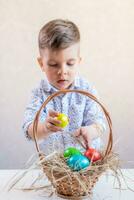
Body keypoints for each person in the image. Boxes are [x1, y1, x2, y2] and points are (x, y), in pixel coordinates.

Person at [22, 19, 106, 155]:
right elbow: (28, 129)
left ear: (78, 61)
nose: (62, 71)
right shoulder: (39, 93)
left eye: (70, 63)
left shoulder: (86, 90)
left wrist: (91, 130)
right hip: (55, 166)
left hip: (86, 163)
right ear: (41, 63)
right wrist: (44, 128)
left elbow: (100, 122)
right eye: (54, 64)